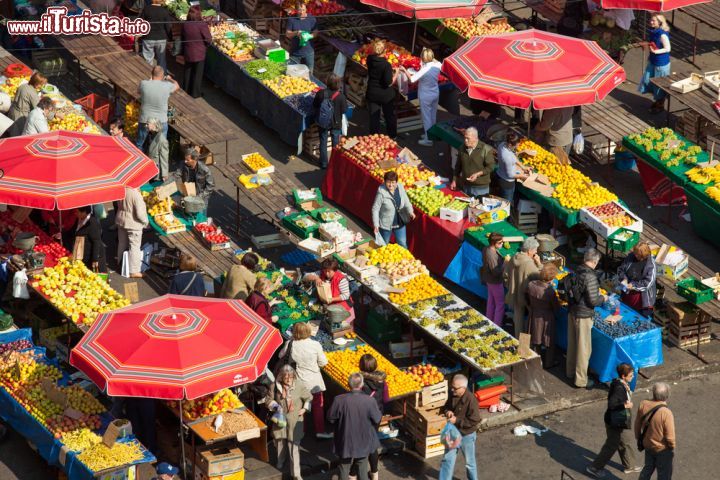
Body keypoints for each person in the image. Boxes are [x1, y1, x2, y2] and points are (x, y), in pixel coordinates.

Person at [278, 322, 332, 440]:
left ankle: (301, 431)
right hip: (314, 382)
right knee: (318, 406)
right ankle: (320, 432)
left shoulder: (290, 344)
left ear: (294, 332)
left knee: (300, 407)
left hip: (299, 382)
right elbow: (324, 362)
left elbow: (280, 356)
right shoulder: (315, 344)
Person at [586, 363, 641, 478]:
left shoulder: (619, 382)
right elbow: (612, 404)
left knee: (625, 441)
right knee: (611, 445)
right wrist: (625, 405)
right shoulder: (619, 388)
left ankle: (629, 466)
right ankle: (594, 467)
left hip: (621, 420)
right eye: (630, 375)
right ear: (623, 376)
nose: (632, 377)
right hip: (615, 422)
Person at [327, 373, 382, 480]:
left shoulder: (339, 400)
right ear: (362, 385)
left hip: (344, 440)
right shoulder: (369, 400)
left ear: (348, 384)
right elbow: (377, 419)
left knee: (344, 467)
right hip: (363, 440)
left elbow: (330, 418)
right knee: (362, 468)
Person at [565, 248, 605, 389]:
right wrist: (603, 297)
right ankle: (581, 380)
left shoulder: (577, 269)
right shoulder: (590, 277)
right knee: (583, 349)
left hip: (572, 311)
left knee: (572, 344)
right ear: (594, 261)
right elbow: (593, 301)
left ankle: (570, 372)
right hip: (583, 315)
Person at [267, 364, 311, 480]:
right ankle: (280, 460)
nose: (289, 381)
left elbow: (308, 397)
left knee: (294, 446)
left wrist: (305, 408)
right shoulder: (275, 386)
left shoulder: (299, 385)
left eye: (291, 378)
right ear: (281, 377)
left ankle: (296, 474)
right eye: (286, 378)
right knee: (280, 441)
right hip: (280, 419)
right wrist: (276, 406)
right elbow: (268, 400)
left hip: (295, 420)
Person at [439, 374, 481, 480]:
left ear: (463, 388)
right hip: (453, 432)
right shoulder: (452, 393)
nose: (452, 389)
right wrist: (447, 411)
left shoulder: (471, 400)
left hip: (467, 435)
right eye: (451, 386)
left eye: (455, 388)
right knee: (447, 460)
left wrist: (456, 420)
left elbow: (475, 420)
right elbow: (445, 407)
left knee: (469, 463)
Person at [402, 48, 442, 147]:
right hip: (435, 92)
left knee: (426, 117)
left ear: (423, 58)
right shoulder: (437, 65)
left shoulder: (424, 69)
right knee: (433, 115)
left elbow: (412, 79)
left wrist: (404, 70)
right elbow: (437, 62)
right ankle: (432, 134)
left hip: (425, 95)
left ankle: (428, 140)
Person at [635, 382, 675, 480]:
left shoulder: (643, 404)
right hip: (662, 448)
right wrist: (671, 446)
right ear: (667, 396)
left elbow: (637, 423)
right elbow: (670, 437)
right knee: (664, 474)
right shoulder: (666, 413)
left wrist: (639, 438)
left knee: (648, 468)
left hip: (648, 444)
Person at [504, 237, 543, 338]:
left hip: (514, 292)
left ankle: (518, 339)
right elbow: (540, 277)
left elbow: (506, 273)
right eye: (535, 250)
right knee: (528, 320)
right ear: (530, 250)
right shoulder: (529, 264)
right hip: (525, 295)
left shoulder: (514, 257)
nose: (536, 251)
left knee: (518, 319)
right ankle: (524, 345)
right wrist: (539, 264)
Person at [527, 262, 561, 368]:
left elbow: (526, 297)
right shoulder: (550, 292)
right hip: (547, 317)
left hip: (534, 313)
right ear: (551, 278)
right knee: (548, 340)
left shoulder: (531, 284)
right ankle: (548, 363)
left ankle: (535, 360)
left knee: (535, 338)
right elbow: (556, 307)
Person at [137, 66, 179, 150]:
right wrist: (170, 79)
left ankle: (139, 159)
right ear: (163, 76)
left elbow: (138, 91)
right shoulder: (167, 86)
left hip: (145, 119)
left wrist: (150, 80)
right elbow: (177, 86)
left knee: (139, 144)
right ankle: (156, 162)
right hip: (161, 120)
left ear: (151, 74)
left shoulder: (144, 83)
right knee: (160, 146)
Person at [303, 257, 355, 325]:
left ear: (335, 270)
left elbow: (346, 295)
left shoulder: (341, 279)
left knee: (344, 328)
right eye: (325, 271)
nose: (327, 273)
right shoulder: (321, 273)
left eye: (329, 271)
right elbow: (305, 276)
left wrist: (332, 299)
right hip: (330, 308)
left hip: (343, 309)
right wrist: (315, 278)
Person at [371, 171, 415, 250]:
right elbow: (375, 209)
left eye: (393, 182)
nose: (391, 185)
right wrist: (376, 224)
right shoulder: (381, 192)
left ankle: (405, 260)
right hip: (386, 224)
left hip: (399, 221)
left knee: (402, 243)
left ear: (396, 182)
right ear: (385, 182)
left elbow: (406, 201)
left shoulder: (400, 188)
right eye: (388, 182)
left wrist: (410, 212)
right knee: (383, 245)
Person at [312, 73, 347, 169]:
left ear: (327, 82)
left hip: (323, 122)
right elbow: (344, 110)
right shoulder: (341, 97)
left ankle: (323, 163)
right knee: (335, 143)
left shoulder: (321, 93)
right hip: (336, 123)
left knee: (323, 141)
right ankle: (334, 163)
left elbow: (315, 105)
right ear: (338, 84)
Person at [366, 39, 398, 139]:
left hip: (372, 92)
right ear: (384, 51)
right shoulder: (386, 65)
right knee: (389, 115)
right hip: (385, 95)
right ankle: (392, 135)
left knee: (374, 116)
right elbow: (388, 83)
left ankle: (373, 137)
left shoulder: (369, 59)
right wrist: (396, 73)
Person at [450, 127, 496, 197]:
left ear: (475, 138)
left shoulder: (486, 149)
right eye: (464, 138)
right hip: (466, 185)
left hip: (480, 188)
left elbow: (491, 167)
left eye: (468, 138)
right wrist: (454, 180)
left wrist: (478, 174)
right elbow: (458, 166)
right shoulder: (462, 148)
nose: (465, 140)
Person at [639, 15, 671, 114]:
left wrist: (655, 51)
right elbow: (653, 43)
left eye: (653, 21)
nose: (651, 22)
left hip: (661, 63)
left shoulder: (662, 35)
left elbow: (668, 48)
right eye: (651, 20)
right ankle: (657, 101)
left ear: (660, 22)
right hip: (653, 60)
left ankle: (660, 105)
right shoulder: (653, 31)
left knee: (660, 85)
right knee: (648, 80)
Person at [115, 186, 148, 279]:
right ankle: (134, 271)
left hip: (121, 219)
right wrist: (145, 222)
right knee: (134, 246)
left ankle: (120, 263)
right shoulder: (136, 194)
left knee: (122, 243)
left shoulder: (122, 189)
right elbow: (140, 214)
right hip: (133, 223)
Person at [618, 242, 657, 318]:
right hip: (627, 293)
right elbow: (621, 269)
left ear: (643, 255)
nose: (635, 255)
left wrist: (633, 285)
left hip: (641, 298)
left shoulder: (650, 265)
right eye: (635, 253)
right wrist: (624, 279)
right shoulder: (631, 257)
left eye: (637, 254)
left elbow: (648, 283)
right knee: (626, 314)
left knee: (640, 317)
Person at [63, 206, 107, 273]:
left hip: (93, 256)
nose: (75, 213)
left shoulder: (92, 223)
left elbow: (96, 241)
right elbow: (73, 231)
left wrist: (95, 259)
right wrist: (62, 234)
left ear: (84, 212)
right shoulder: (79, 219)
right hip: (83, 254)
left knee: (96, 278)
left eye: (77, 212)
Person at [181, 5, 212, 98]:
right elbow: (208, 39)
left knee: (188, 71)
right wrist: (206, 45)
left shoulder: (185, 24)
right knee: (197, 74)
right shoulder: (201, 25)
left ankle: (185, 90)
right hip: (199, 53)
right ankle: (195, 93)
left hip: (188, 51)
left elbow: (182, 37)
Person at [7, 71, 46, 137]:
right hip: (20, 117)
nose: (41, 86)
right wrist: (54, 115)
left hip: (12, 111)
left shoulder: (23, 85)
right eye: (41, 84)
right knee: (16, 137)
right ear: (37, 84)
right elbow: (38, 109)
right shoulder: (33, 94)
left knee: (10, 130)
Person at [496, 132, 531, 203]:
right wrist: (523, 176)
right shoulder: (507, 157)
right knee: (506, 204)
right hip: (506, 183)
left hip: (500, 174)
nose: (517, 147)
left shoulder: (502, 145)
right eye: (515, 146)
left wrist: (523, 167)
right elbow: (510, 175)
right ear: (510, 144)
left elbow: (513, 156)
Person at [139, 0, 173, 72]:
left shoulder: (146, 9)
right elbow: (168, 27)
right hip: (161, 38)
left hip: (148, 37)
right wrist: (170, 39)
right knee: (161, 60)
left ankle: (148, 75)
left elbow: (141, 22)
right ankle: (162, 76)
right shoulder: (165, 11)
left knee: (148, 60)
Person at [481, 232, 506, 327]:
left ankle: (489, 321)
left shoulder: (486, 249)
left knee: (491, 301)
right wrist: (504, 264)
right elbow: (495, 272)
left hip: (489, 280)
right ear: (493, 243)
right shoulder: (491, 255)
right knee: (500, 304)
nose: (502, 244)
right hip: (495, 281)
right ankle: (497, 326)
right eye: (500, 243)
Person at [285, 2, 317, 73]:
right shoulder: (291, 19)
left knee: (309, 73)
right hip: (295, 53)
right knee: (293, 73)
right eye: (300, 10)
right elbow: (288, 34)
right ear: (296, 10)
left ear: (306, 9)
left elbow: (316, 32)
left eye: (303, 9)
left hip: (309, 53)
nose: (302, 12)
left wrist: (310, 36)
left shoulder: (311, 19)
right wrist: (296, 32)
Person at [147, 118, 169, 182]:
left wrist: (164, 174)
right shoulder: (150, 135)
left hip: (157, 170)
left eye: (147, 124)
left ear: (154, 125)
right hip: (150, 166)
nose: (145, 126)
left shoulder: (162, 140)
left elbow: (164, 157)